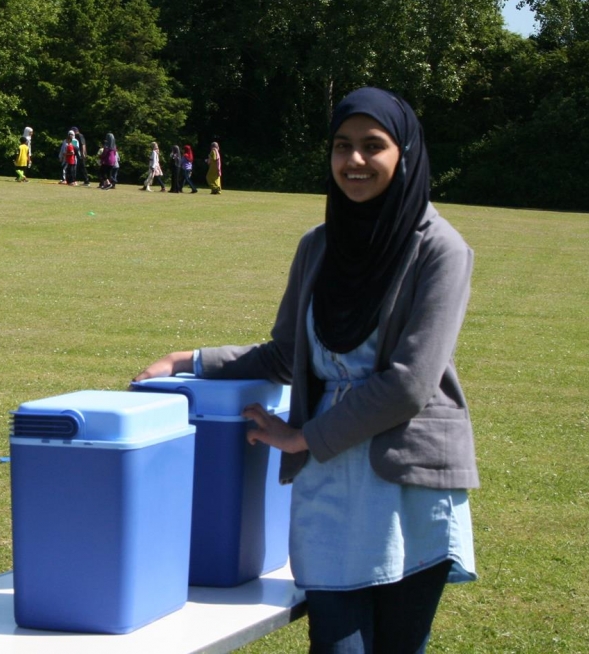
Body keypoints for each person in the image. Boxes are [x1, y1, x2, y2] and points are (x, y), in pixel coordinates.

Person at [136, 87, 477, 654]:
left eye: (373, 145)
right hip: (328, 478)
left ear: (405, 154)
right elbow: (285, 354)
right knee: (337, 643)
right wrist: (189, 361)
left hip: (406, 481)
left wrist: (303, 437)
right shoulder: (318, 246)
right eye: (342, 145)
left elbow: (410, 383)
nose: (354, 160)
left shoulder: (440, 249)